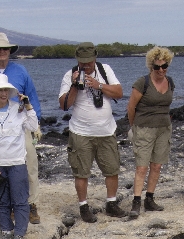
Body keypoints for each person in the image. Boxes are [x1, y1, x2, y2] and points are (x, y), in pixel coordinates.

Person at [59, 42, 124, 223]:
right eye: (82, 62)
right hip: (80, 132)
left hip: (106, 130)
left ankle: (111, 203)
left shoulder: (105, 70)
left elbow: (119, 93)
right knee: (81, 172)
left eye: (89, 62)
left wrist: (99, 85)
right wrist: (74, 85)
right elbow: (64, 105)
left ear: (95, 58)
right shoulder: (69, 74)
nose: (86, 66)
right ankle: (83, 206)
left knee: (112, 169)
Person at [0, 32, 42, 225]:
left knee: (29, 164)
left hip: (20, 124)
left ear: (10, 51)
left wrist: (36, 124)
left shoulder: (21, 71)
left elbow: (31, 96)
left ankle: (30, 204)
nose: (2, 52)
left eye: (5, 48)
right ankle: (5, 206)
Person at [0, 73, 38, 239]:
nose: (3, 93)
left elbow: (33, 126)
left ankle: (19, 233)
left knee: (20, 200)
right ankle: (6, 231)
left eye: (5, 90)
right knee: (2, 200)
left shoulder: (18, 109)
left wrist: (28, 106)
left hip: (17, 161)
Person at [126, 46, 175, 219]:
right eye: (157, 67)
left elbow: (167, 104)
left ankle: (150, 199)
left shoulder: (170, 82)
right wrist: (134, 126)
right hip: (144, 128)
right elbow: (131, 107)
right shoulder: (142, 83)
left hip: (163, 128)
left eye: (164, 66)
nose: (161, 70)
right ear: (151, 67)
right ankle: (136, 201)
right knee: (142, 167)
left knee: (156, 165)